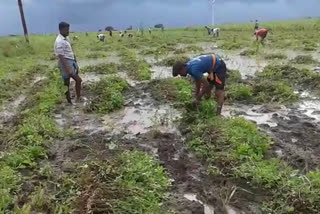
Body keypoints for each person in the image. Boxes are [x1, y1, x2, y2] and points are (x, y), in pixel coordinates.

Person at [54, 22, 82, 104]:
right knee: (74, 81)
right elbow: (61, 56)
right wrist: (68, 69)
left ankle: (75, 98)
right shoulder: (59, 41)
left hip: (71, 61)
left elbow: (70, 51)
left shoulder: (66, 38)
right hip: (65, 63)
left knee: (68, 82)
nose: (68, 31)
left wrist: (75, 61)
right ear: (61, 30)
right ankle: (71, 101)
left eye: (68, 29)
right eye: (66, 30)